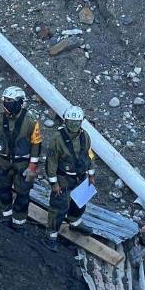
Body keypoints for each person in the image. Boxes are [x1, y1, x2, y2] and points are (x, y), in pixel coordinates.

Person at [0, 86, 42, 230]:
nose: (6, 103)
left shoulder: (31, 122)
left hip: (24, 165)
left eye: (10, 100)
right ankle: (5, 216)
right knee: (4, 191)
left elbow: (36, 145)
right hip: (2, 162)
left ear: (20, 102)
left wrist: (33, 166)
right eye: (5, 100)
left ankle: (19, 222)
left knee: (23, 195)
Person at [43, 105, 98, 250]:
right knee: (59, 207)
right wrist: (53, 183)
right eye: (70, 122)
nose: (73, 125)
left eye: (76, 122)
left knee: (79, 202)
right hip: (63, 177)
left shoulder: (85, 136)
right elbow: (51, 161)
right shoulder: (57, 138)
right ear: (65, 121)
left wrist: (91, 173)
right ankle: (51, 235)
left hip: (80, 176)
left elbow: (89, 155)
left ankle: (75, 222)